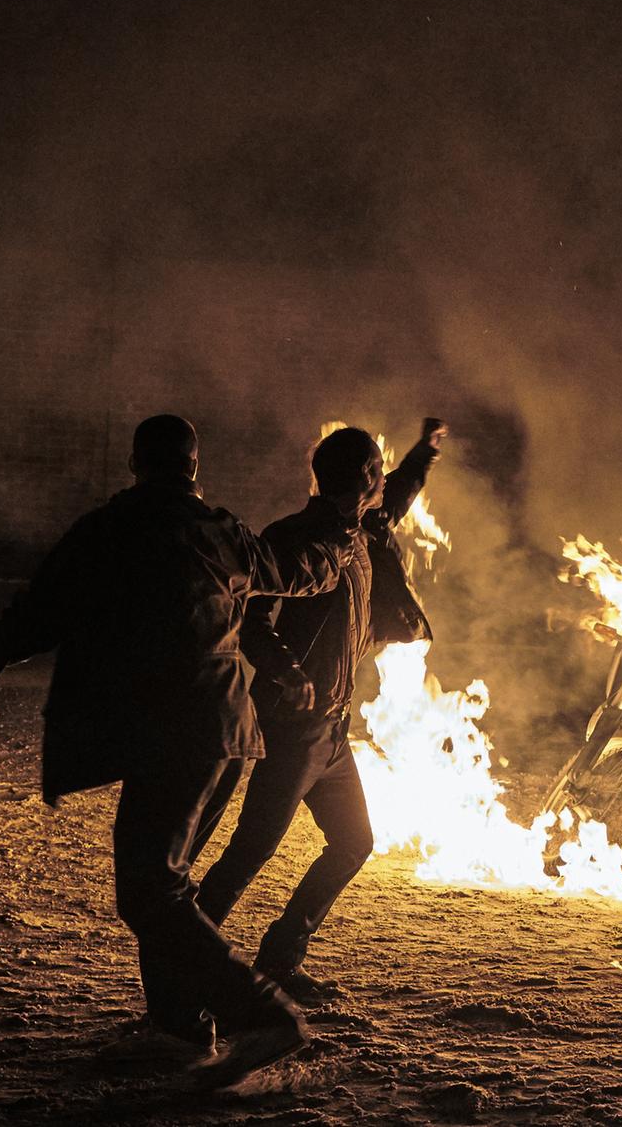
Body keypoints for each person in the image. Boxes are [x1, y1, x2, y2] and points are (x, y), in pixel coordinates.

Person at [0, 414, 365, 1087]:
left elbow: (37, 617)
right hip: (227, 730)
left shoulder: (107, 531)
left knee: (151, 889)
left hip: (164, 730)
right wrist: (340, 538)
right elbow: (294, 572)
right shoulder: (222, 533)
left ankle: (255, 1015)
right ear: (194, 468)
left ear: (136, 465)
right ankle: (181, 1028)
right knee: (164, 884)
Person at [196, 418, 444, 1004]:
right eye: (377, 471)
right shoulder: (295, 538)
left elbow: (398, 493)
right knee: (251, 851)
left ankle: (280, 959)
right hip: (293, 726)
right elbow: (250, 618)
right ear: (365, 476)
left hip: (332, 730)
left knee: (353, 841)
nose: (383, 482)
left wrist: (423, 454)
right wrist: (288, 671)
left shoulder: (365, 528)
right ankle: (184, 963)